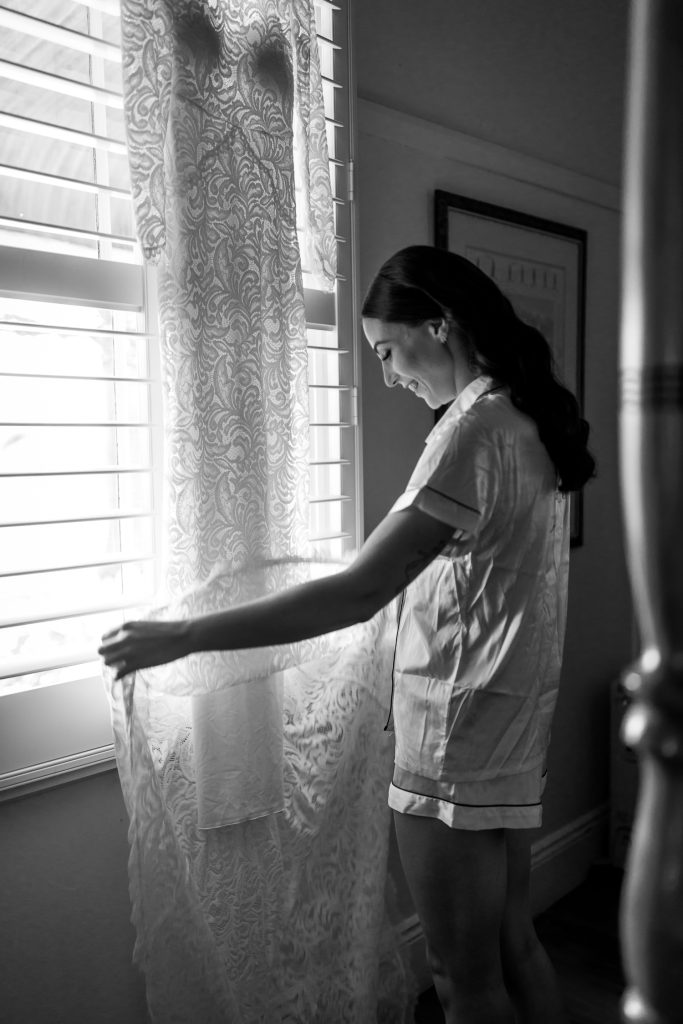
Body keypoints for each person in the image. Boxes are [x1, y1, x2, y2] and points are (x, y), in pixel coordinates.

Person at [100, 245, 595, 1024]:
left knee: (459, 973)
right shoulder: (523, 417)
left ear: (440, 326)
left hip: (452, 743)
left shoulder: (469, 432)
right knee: (512, 944)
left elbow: (358, 591)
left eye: (390, 352)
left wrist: (187, 634)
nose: (390, 374)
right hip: (508, 728)